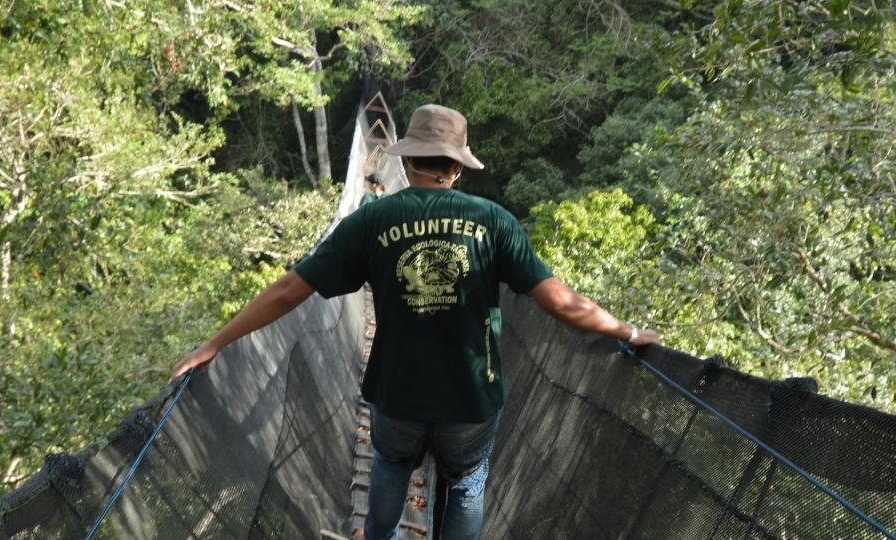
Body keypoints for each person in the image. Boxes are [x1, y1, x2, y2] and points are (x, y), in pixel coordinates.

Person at [169, 104, 660, 540]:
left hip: (397, 390)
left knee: (390, 467)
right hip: (471, 396)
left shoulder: (370, 220)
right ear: (457, 166)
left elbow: (288, 290)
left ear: (406, 161)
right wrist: (629, 332)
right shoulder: (494, 220)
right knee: (466, 484)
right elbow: (559, 301)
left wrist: (215, 342)